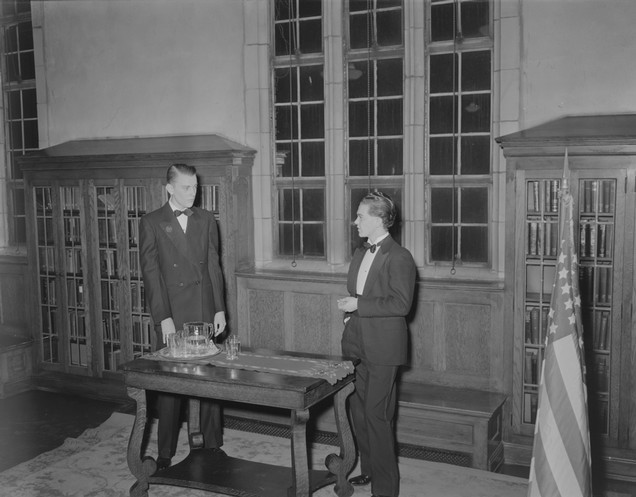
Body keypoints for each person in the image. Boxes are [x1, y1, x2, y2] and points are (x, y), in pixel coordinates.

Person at [139, 163, 227, 471]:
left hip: (203, 310)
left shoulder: (206, 220)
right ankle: (165, 452)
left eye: (195, 187)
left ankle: (213, 443)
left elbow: (214, 267)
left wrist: (219, 308)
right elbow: (151, 275)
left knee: (211, 383)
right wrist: (162, 317)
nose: (193, 193)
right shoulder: (151, 222)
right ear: (170, 188)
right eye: (187, 188)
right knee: (170, 386)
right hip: (173, 314)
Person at [337, 191, 416, 497]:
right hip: (356, 344)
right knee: (358, 411)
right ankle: (368, 470)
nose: (355, 221)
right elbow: (357, 292)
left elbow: (401, 303)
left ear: (380, 219)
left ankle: (385, 490)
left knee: (377, 415)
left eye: (361, 216)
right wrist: (350, 319)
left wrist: (358, 306)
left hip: (384, 349)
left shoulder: (399, 257)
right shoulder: (361, 252)